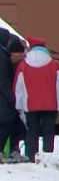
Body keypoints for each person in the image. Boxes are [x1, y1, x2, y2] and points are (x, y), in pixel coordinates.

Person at [13, 37, 59, 162]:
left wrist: (19, 106)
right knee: (49, 131)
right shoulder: (54, 64)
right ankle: (47, 156)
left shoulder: (22, 66)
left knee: (32, 130)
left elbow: (19, 88)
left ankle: (31, 155)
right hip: (51, 104)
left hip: (30, 105)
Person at [0, 28, 27, 163]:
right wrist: (12, 98)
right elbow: (3, 80)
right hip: (5, 100)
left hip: (5, 99)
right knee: (6, 124)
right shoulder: (3, 57)